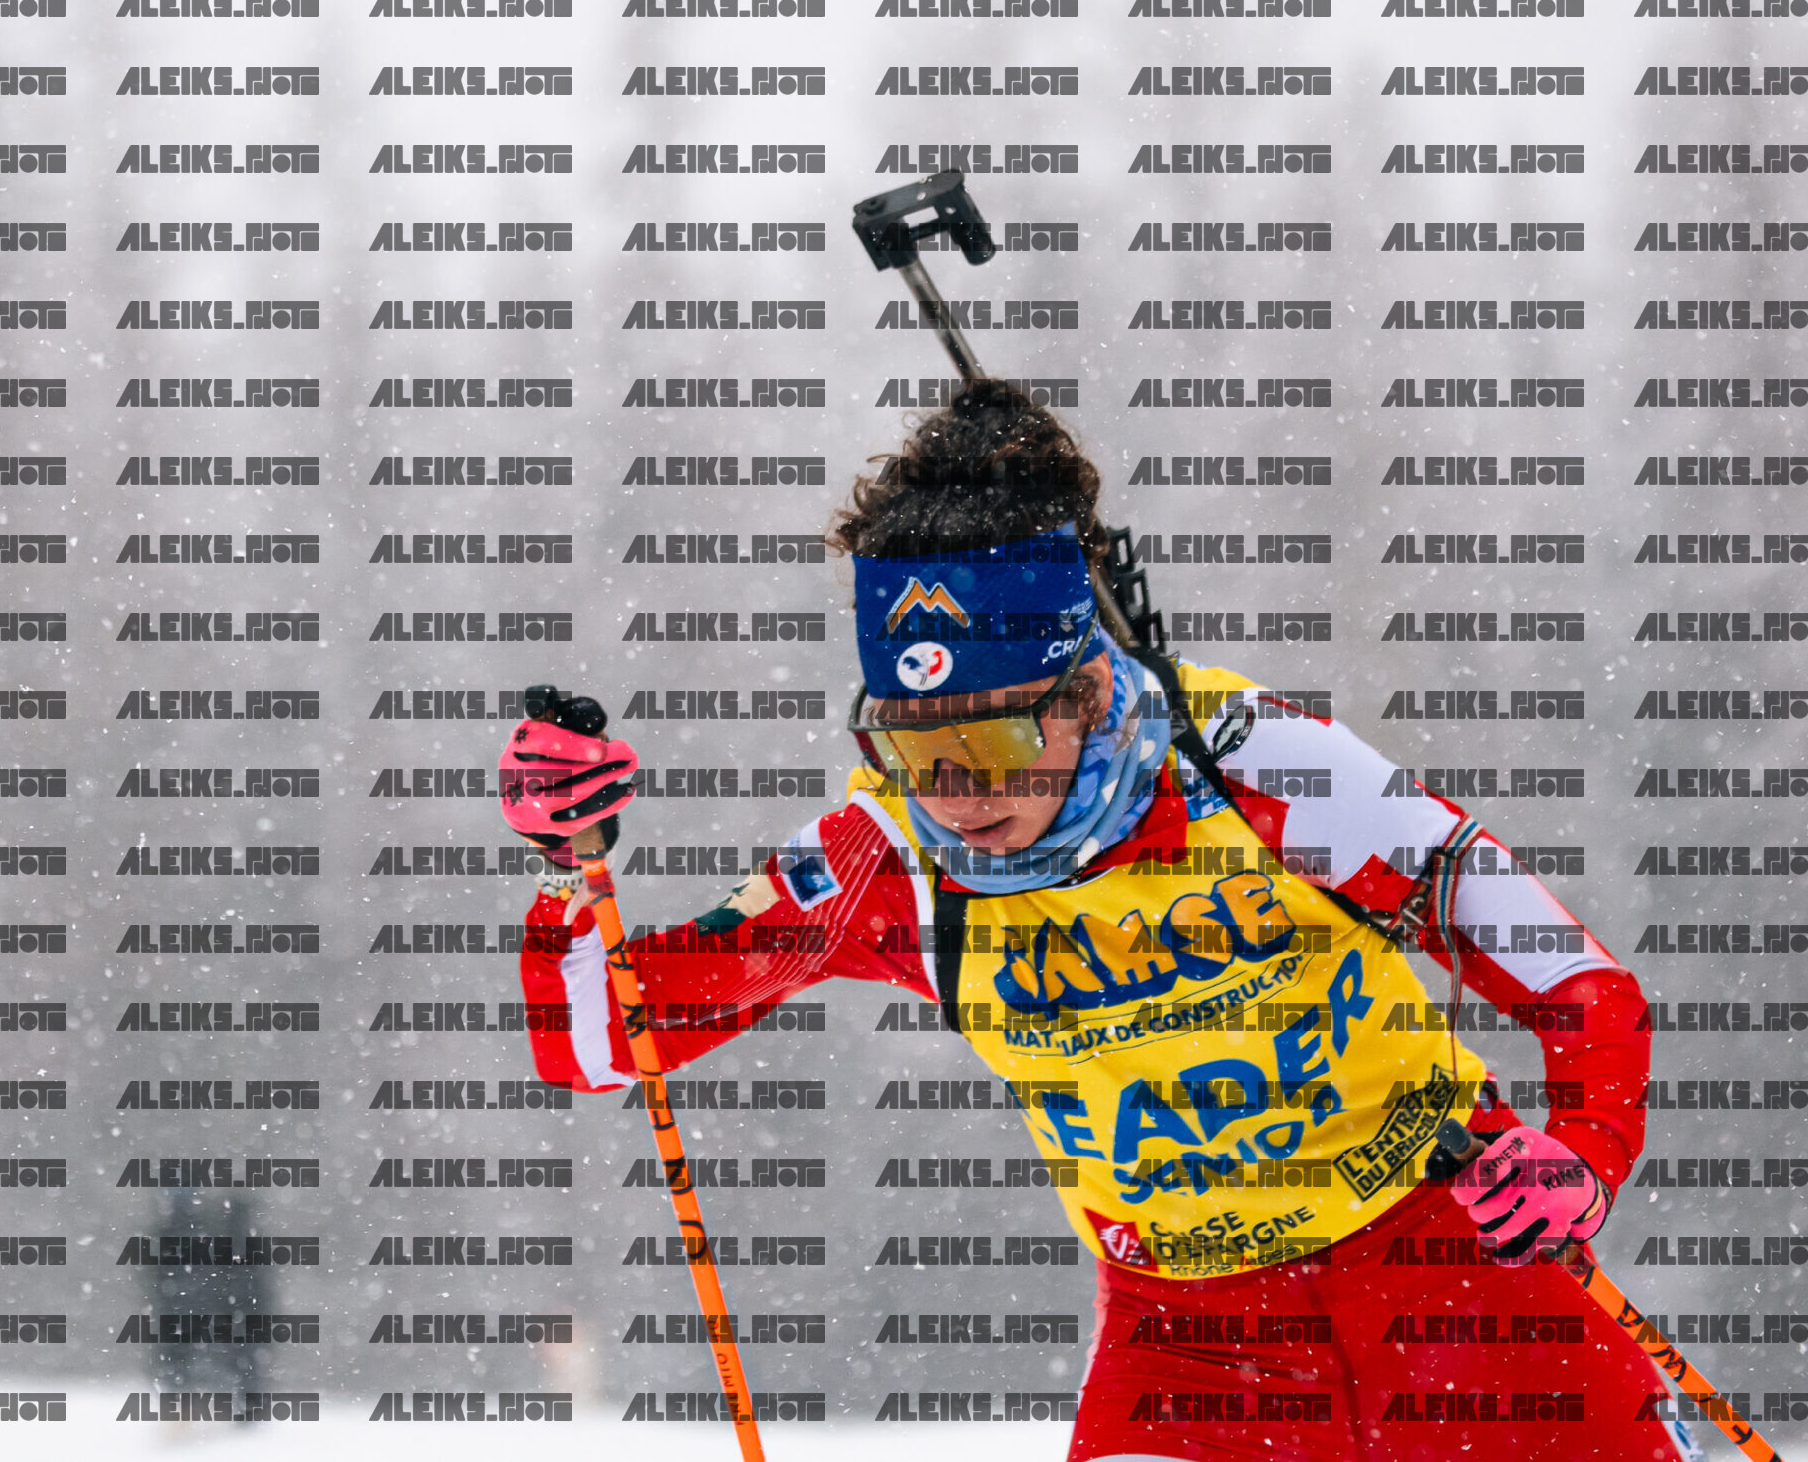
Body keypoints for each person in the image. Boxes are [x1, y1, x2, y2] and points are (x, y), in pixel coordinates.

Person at [498, 378, 1693, 1462]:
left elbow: (1570, 976)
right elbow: (601, 1039)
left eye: (991, 741)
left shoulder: (1250, 761)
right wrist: (568, 866)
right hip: (1190, 1344)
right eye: (912, 747)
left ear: (1083, 690)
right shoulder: (889, 858)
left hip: (1452, 1270)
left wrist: (1582, 1154)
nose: (955, 795)